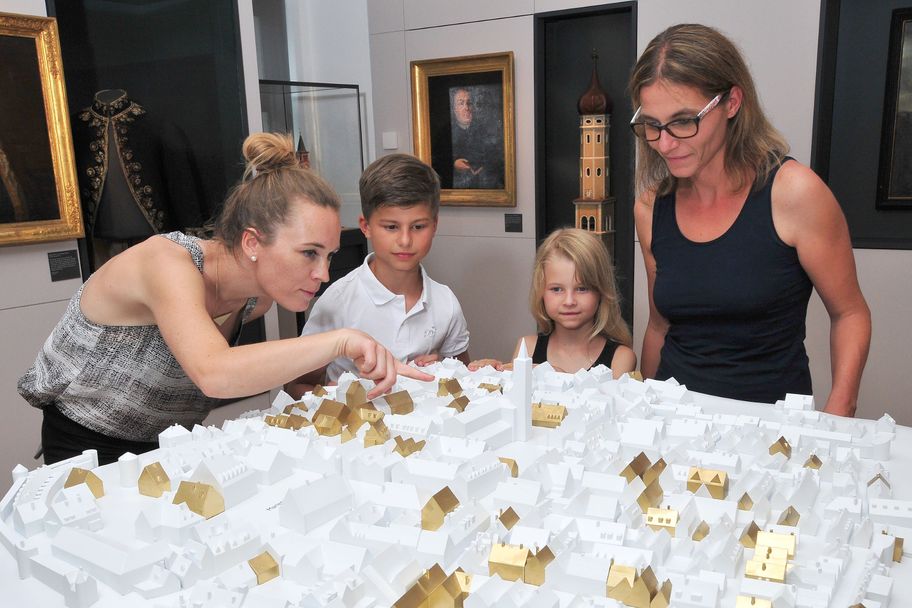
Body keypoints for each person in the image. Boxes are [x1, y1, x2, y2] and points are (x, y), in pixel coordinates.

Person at [18, 133, 431, 465]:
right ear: (252, 240)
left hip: (171, 444)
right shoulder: (166, 262)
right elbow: (214, 372)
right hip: (87, 446)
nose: (322, 275)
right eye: (309, 253)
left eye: (328, 256)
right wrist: (341, 340)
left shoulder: (259, 300)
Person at [629, 24, 871, 415]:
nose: (665, 143)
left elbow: (850, 313)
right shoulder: (650, 207)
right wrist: (643, 405)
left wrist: (838, 413)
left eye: (683, 121)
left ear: (732, 103)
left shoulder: (795, 194)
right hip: (674, 418)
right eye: (652, 125)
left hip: (771, 423)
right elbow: (659, 326)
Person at [287, 153, 471, 397]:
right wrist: (338, 396)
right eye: (391, 227)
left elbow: (465, 383)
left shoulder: (445, 302)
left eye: (418, 227)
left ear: (434, 225)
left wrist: (440, 372)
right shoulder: (338, 301)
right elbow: (295, 387)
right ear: (366, 226)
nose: (405, 240)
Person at [469, 228, 636, 377]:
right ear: (541, 292)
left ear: (601, 291)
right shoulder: (527, 347)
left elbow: (607, 410)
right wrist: (492, 376)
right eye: (557, 289)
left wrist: (557, 378)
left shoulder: (621, 358)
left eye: (582, 288)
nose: (569, 301)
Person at [442, 87, 505, 189]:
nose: (466, 107)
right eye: (461, 103)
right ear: (454, 109)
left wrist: (484, 167)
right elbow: (438, 162)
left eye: (469, 103)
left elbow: (496, 157)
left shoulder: (482, 130)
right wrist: (454, 164)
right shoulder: (445, 133)